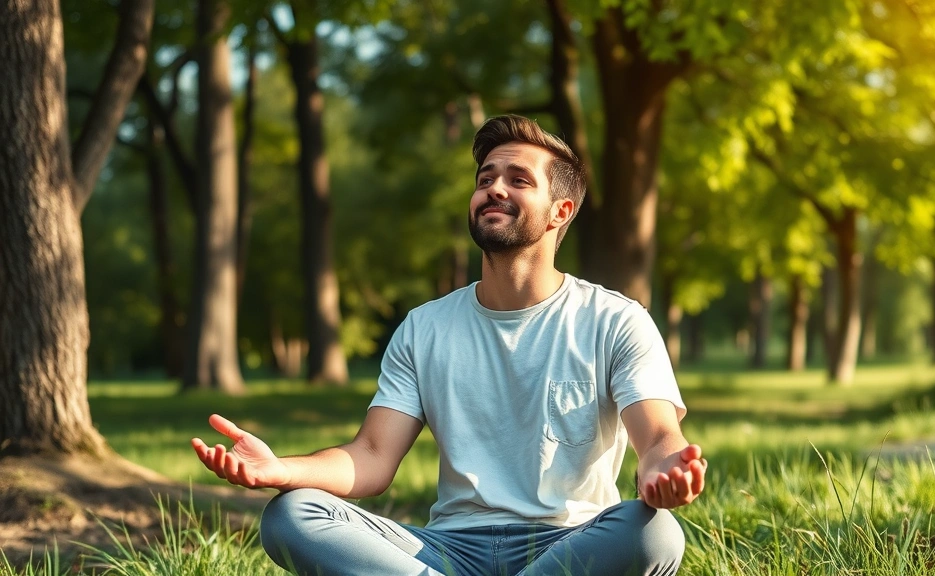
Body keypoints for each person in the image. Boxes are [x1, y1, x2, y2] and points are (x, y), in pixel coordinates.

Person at [191, 115, 708, 576]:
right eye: (485, 179)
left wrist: (665, 471)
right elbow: (371, 457)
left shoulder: (616, 320)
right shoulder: (424, 327)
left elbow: (659, 438)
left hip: (571, 544)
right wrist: (283, 469)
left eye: (518, 180)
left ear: (560, 211)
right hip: (447, 552)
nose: (493, 189)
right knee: (291, 514)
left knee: (655, 532)